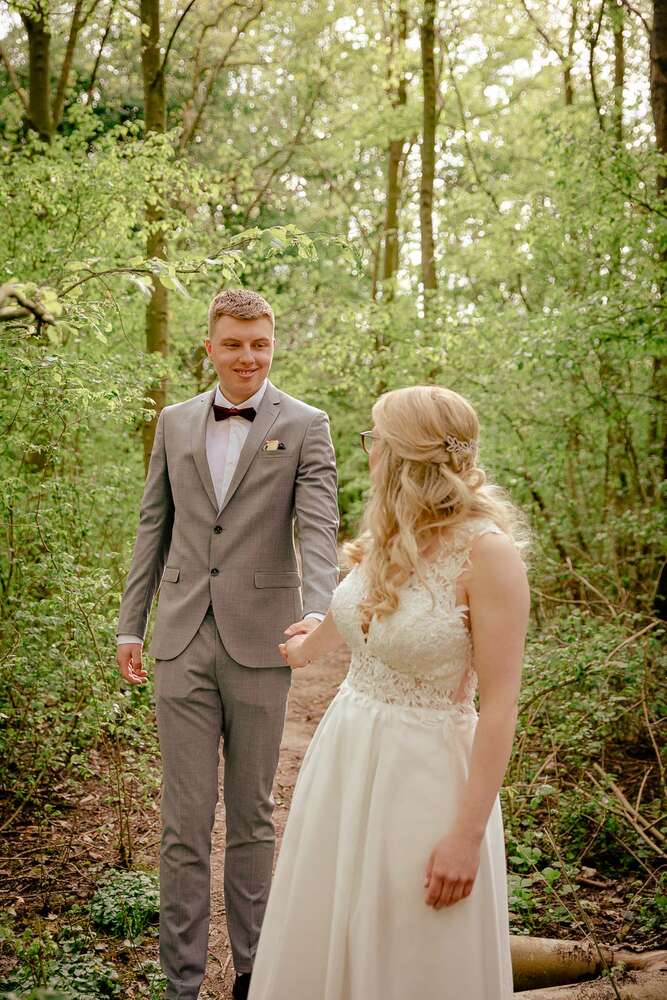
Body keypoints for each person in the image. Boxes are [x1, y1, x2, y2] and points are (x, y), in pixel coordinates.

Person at [248, 384, 530, 1000]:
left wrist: (465, 837)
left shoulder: (489, 556)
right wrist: (307, 645)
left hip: (425, 775)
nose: (368, 450)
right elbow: (359, 610)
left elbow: (501, 705)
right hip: (348, 753)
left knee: (409, 940)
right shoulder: (390, 533)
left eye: (375, 438)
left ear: (406, 453)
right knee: (328, 924)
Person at [115, 289, 339, 1000]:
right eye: (234, 344)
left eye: (260, 344)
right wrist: (131, 622)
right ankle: (179, 979)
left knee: (250, 814)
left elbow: (317, 528)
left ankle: (253, 973)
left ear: (273, 346)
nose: (248, 357)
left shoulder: (306, 425)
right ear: (208, 348)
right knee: (183, 821)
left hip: (262, 639)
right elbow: (153, 526)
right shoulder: (174, 423)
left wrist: (316, 613)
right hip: (180, 639)